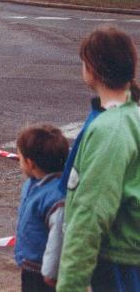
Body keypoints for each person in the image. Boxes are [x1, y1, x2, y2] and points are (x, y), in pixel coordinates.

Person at [57, 26, 140, 291]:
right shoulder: (131, 116)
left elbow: (91, 213)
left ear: (91, 68)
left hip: (118, 261)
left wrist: (71, 283)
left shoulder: (109, 130)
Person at [15, 124, 69, 292]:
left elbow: (57, 238)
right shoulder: (33, 183)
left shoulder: (56, 197)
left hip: (44, 273)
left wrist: (51, 273)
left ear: (30, 163)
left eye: (20, 158)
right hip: (31, 266)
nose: (19, 162)